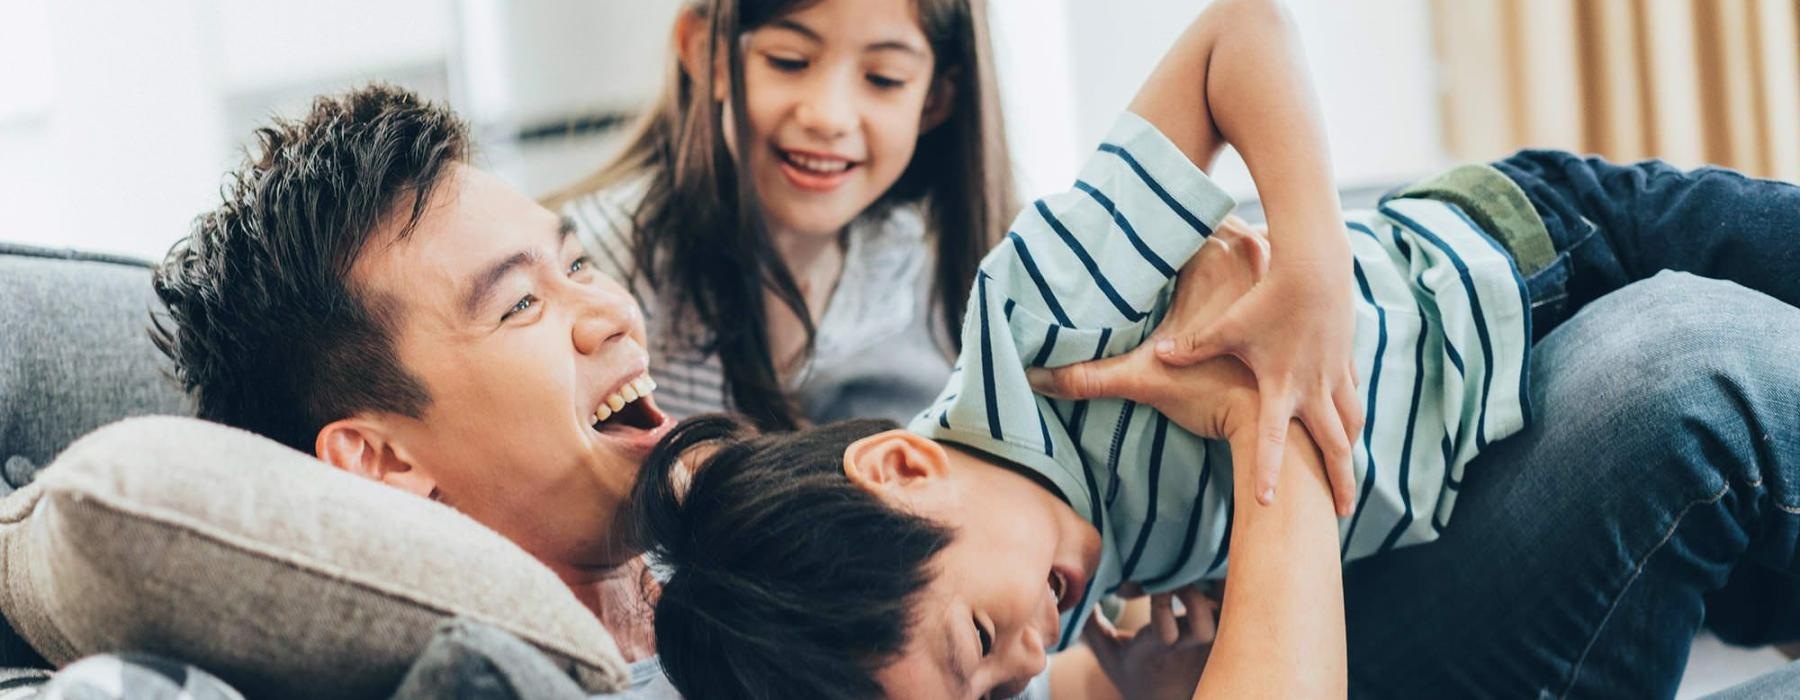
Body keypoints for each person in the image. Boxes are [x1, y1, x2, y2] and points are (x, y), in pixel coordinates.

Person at [627, 1, 1800, 698]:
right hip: (1481, 445)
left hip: (1525, 259)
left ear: (900, 468)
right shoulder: (1046, 565)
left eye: (981, 643)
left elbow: (1236, 33)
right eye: (994, 689)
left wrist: (1311, 270)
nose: (1027, 658)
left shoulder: (1036, 323)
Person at [546, 0, 1016, 432]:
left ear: (936, 99)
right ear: (706, 54)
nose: (829, 117)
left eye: (885, 78)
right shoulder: (602, 268)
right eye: (789, 61)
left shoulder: (911, 256)